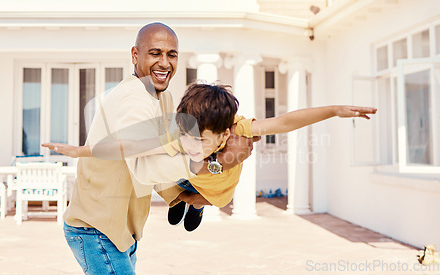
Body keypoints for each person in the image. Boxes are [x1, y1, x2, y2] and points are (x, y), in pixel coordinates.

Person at [55, 22, 257, 274]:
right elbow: (143, 167)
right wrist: (217, 164)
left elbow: (164, 149)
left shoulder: (163, 96)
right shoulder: (135, 99)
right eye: (155, 53)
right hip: (97, 229)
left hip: (120, 230)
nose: (164, 62)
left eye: (171, 55)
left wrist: (179, 195)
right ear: (135, 55)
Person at [45, 83, 377, 233]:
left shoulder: (239, 130)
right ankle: (177, 200)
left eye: (203, 139)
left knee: (203, 199)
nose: (192, 143)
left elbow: (286, 121)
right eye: (188, 135)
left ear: (223, 132)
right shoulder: (178, 131)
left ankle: (192, 205)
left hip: (214, 186)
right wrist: (83, 150)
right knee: (152, 172)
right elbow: (125, 144)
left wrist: (334, 110)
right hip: (179, 175)